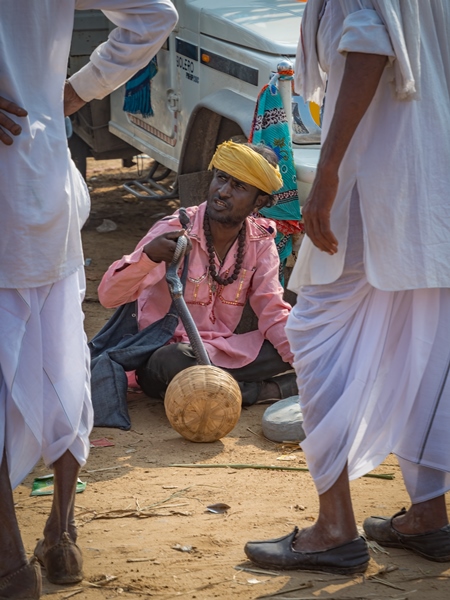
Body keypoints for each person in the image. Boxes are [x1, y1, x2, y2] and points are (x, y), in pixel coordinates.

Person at [244, 0, 450, 574]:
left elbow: (370, 44)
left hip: (379, 177)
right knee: (426, 342)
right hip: (435, 173)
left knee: (311, 332)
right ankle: (429, 516)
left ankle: (334, 529)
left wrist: (328, 169)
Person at [0, 1, 178, 598]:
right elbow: (155, 14)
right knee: (63, 355)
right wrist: (65, 97)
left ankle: (10, 567)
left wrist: (63, 96)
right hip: (42, 176)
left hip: (18, 188)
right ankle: (61, 531)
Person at [97, 140, 297, 407]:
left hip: (221, 350)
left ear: (258, 201)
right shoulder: (175, 230)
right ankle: (264, 391)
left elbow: (272, 312)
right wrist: (149, 257)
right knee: (171, 361)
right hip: (166, 354)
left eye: (239, 186)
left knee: (301, 340)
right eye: (222, 178)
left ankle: (224, 389)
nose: (223, 192)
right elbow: (108, 297)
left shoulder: (260, 241)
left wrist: (307, 360)